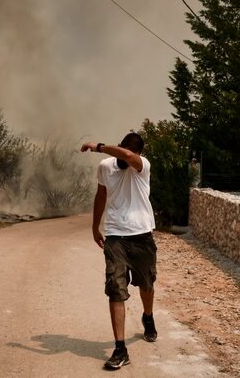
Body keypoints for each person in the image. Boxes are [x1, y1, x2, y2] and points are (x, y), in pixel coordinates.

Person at [80, 133, 158, 370]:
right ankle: (120, 348)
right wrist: (95, 226)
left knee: (146, 284)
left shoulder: (142, 166)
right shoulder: (105, 166)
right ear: (121, 145)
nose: (127, 156)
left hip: (142, 235)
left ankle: (147, 316)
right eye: (125, 150)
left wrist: (97, 146)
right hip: (115, 235)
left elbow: (126, 156)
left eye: (132, 153)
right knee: (115, 288)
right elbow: (101, 194)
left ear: (138, 155)